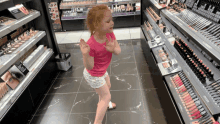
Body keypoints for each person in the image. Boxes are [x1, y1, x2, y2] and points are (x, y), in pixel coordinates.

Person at [79, 4, 121, 124]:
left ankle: (105, 102)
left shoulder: (110, 35)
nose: (112, 23)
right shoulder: (91, 44)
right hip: (93, 74)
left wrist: (113, 49)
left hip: (101, 70)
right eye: (108, 21)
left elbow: (118, 51)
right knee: (106, 95)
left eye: (111, 20)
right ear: (97, 25)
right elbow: (89, 67)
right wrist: (85, 54)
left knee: (108, 85)